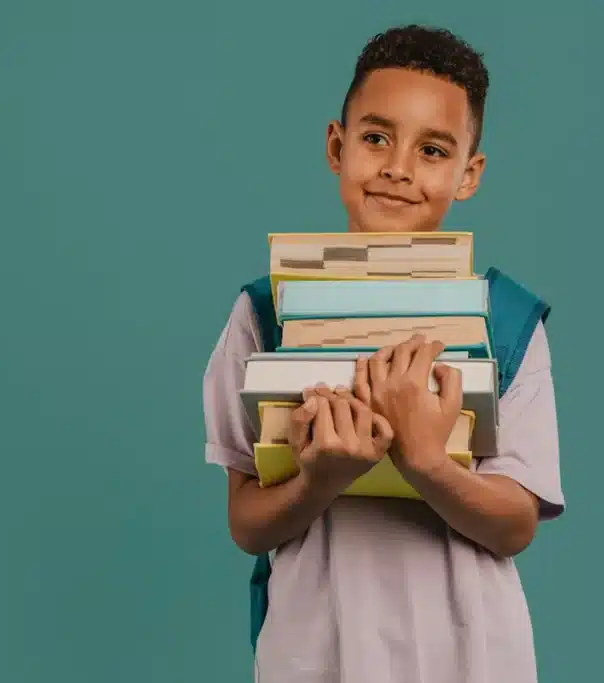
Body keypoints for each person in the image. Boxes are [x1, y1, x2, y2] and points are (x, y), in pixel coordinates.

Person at [201, 24, 564, 683]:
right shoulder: (263, 313)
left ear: (468, 174)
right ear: (337, 147)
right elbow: (246, 522)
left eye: (433, 150)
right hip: (318, 652)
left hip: (469, 655)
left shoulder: (507, 323)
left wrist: (426, 460)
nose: (398, 167)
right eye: (376, 138)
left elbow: (515, 524)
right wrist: (320, 478)